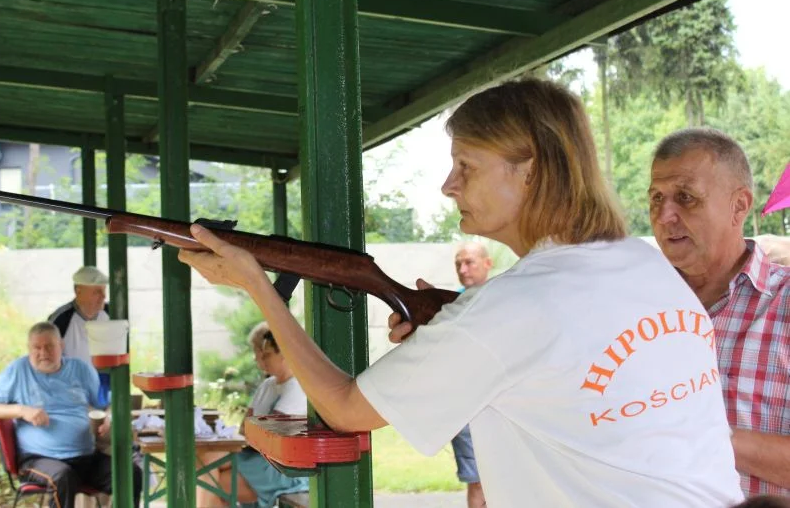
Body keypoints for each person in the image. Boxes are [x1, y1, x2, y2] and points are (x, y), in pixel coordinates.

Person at [179, 79, 743, 507]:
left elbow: (346, 410)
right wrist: (458, 323)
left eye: (466, 166)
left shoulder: (510, 307)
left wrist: (256, 284)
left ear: (531, 172)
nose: (449, 185)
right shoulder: (642, 264)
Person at [648, 128, 790, 497]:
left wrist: (697, 435)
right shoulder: (636, 305)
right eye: (656, 198)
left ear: (739, 205)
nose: (665, 216)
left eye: (686, 198)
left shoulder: (785, 303)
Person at [0, 321, 142, 508]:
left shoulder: (79, 368)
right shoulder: (17, 371)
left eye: (49, 346)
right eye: (37, 348)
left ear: (61, 346)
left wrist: (108, 417)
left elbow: (107, 402)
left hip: (85, 456)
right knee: (63, 477)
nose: (43, 353)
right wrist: (22, 410)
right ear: (28, 349)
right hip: (38, 458)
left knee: (130, 474)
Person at [196, 322, 309, 507]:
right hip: (255, 456)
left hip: (279, 467)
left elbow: (270, 435)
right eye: (259, 355)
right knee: (206, 467)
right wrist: (254, 431)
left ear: (286, 354)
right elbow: (246, 428)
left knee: (208, 472)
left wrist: (254, 431)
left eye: (267, 355)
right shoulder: (267, 385)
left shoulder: (297, 387)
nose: (261, 361)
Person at [450, 242, 493, 508]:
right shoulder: (449, 305)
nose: (463, 269)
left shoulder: (505, 299)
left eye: (470, 262)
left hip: (501, 406)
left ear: (488, 263)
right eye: (458, 263)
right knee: (477, 481)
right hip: (466, 409)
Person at [48, 266, 111, 403]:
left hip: (105, 385)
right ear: (78, 292)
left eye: (104, 291)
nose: (103, 297)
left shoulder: (112, 314)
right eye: (97, 292)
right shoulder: (61, 319)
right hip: (70, 389)